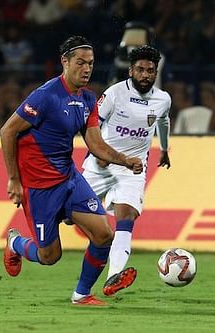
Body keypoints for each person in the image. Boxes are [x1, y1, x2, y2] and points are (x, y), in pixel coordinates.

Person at [0, 35, 143, 306]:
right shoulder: (45, 96)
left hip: (68, 179)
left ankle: (82, 294)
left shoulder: (88, 100)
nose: (87, 69)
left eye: (90, 63)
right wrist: (13, 180)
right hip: (39, 186)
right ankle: (16, 243)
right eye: (80, 62)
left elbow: (95, 143)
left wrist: (124, 160)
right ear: (64, 62)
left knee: (104, 234)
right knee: (50, 257)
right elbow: (7, 131)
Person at [81, 45, 171, 297]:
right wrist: (99, 152)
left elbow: (164, 121)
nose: (145, 75)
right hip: (100, 166)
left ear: (155, 73)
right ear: (130, 70)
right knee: (66, 217)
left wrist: (164, 149)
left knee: (126, 216)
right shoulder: (114, 94)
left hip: (132, 168)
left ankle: (113, 276)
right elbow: (92, 125)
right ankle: (20, 245)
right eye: (140, 69)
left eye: (150, 71)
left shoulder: (163, 99)